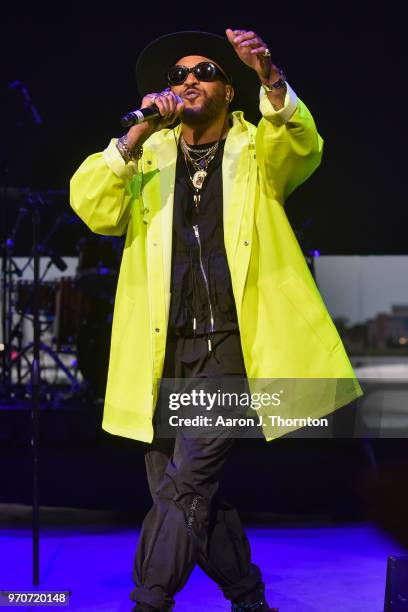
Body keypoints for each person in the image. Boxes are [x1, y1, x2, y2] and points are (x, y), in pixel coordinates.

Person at [70, 28, 362, 612]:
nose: (188, 81)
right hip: (162, 350)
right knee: (188, 493)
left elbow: (302, 143)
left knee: (185, 487)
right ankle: (250, 600)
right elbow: (92, 207)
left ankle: (147, 602)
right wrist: (138, 131)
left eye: (203, 71)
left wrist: (272, 78)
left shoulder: (258, 152)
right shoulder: (147, 155)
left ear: (229, 90)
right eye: (177, 76)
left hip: (229, 348)